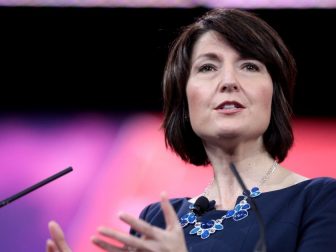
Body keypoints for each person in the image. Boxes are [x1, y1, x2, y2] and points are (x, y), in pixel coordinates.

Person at [46, 8, 336, 252]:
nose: (228, 81)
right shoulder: (158, 219)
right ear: (184, 100)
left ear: (275, 96)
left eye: (249, 66)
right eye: (208, 68)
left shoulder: (320, 201)